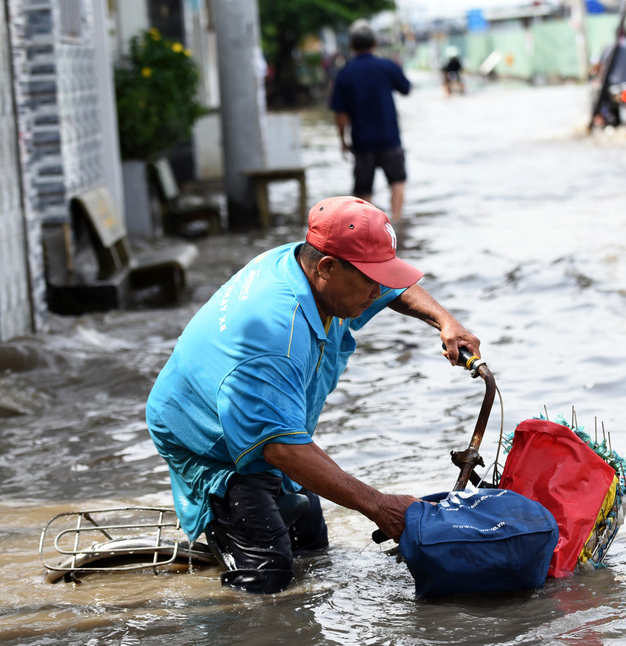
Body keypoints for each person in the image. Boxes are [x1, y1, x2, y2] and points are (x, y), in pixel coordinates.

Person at [145, 196, 481, 594]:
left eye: (383, 276)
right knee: (268, 579)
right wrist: (377, 505)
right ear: (326, 267)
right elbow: (282, 450)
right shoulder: (274, 337)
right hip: (206, 438)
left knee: (313, 548)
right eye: (371, 280)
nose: (379, 290)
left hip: (267, 417)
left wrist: (444, 320)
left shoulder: (310, 269)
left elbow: (395, 289)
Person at [330, 21, 412, 221]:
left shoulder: (345, 74)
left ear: (352, 46)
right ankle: (396, 225)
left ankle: (367, 230)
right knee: (397, 181)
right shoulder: (387, 66)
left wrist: (342, 141)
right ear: (375, 43)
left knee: (364, 191)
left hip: (362, 140)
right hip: (390, 138)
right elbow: (406, 89)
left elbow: (340, 114)